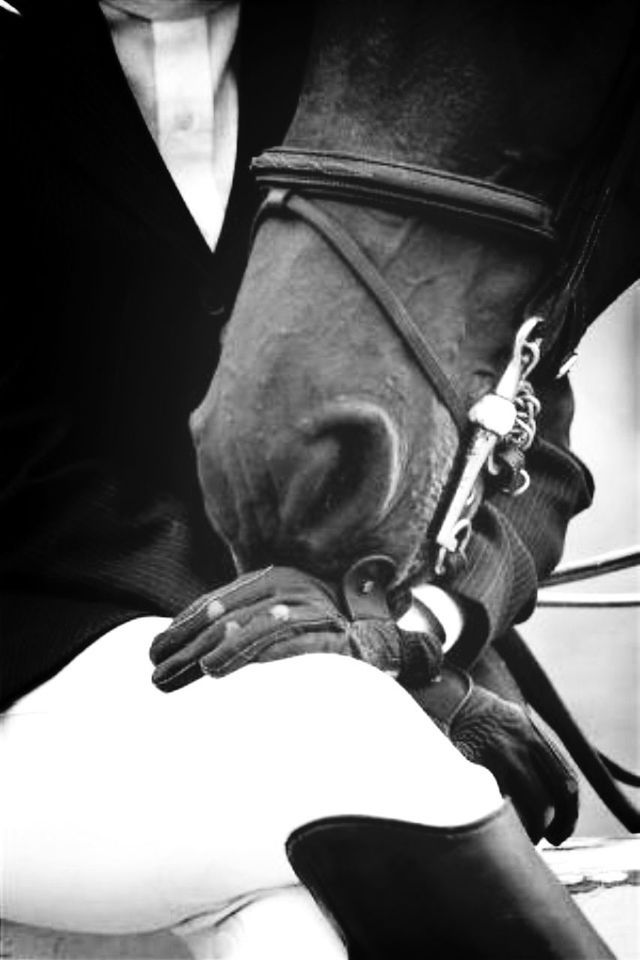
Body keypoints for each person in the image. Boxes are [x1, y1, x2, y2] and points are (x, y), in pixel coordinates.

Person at [1, 1, 606, 956]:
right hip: (49, 646)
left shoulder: (373, 54)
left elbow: (524, 403)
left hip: (368, 672)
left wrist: (414, 636)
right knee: (342, 743)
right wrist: (333, 656)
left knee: (292, 925)